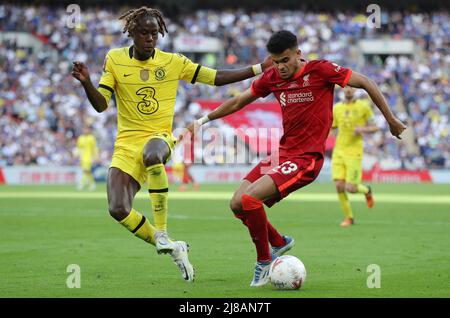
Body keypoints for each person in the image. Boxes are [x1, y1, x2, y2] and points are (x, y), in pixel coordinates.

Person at [183, 30, 406, 287]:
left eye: (285, 60)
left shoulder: (320, 70)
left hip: (306, 158)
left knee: (250, 199)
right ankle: (279, 242)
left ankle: (264, 261)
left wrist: (391, 120)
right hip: (282, 153)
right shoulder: (272, 77)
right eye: (276, 62)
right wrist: (202, 120)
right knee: (236, 203)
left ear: (298, 54)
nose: (280, 67)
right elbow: (240, 101)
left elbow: (366, 81)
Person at [71, 6, 271, 282]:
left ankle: (162, 231)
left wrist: (260, 68)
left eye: (154, 33)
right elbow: (101, 104)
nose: (150, 38)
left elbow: (215, 77)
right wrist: (86, 83)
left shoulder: (173, 62)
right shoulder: (114, 59)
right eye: (144, 33)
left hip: (160, 137)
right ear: (132, 33)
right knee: (118, 209)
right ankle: (172, 246)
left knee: (153, 154)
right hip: (126, 144)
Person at [331, 87, 378, 227]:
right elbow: (332, 127)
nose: (348, 90)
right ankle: (349, 218)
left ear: (355, 90)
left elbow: (375, 127)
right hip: (339, 150)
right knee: (339, 186)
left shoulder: (364, 106)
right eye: (345, 87)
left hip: (354, 152)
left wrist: (362, 129)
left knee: (351, 188)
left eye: (351, 87)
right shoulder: (336, 108)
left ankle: (366, 190)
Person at [75, 126, 98, 191]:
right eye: (84, 129)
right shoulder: (80, 138)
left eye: (86, 129)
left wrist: (95, 157)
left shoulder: (91, 138)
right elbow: (78, 148)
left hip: (89, 158)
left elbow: (94, 148)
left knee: (86, 171)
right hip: (82, 158)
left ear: (89, 130)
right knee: (87, 172)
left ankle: (81, 184)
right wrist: (77, 155)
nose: (85, 131)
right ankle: (92, 184)